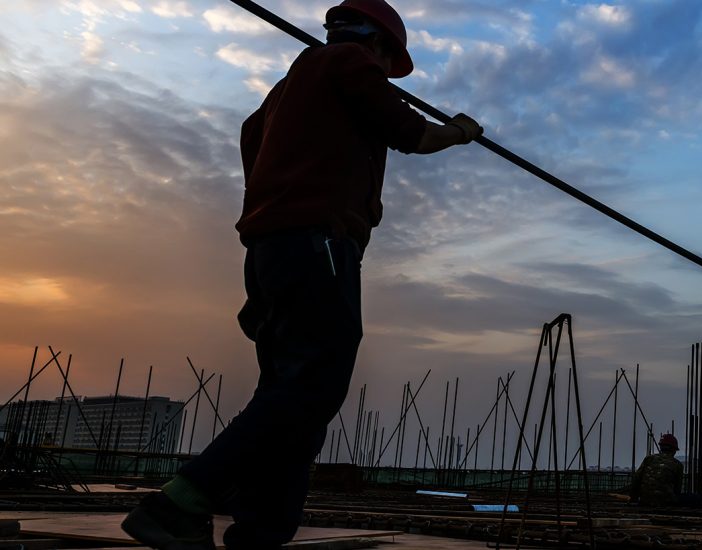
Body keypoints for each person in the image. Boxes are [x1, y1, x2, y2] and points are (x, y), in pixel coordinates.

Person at [121, 1, 482, 548]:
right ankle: (182, 500)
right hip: (318, 243)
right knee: (314, 381)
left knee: (296, 394)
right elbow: (413, 135)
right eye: (390, 63)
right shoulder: (347, 62)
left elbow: (252, 140)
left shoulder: (284, 94)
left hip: (274, 250)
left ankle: (263, 531)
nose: (388, 75)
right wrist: (458, 131)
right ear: (378, 45)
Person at [629, 434, 684, 507]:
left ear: (661, 447)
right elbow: (677, 490)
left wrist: (633, 498)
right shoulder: (678, 465)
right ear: (674, 450)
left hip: (645, 501)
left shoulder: (649, 459)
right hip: (666, 503)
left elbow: (636, 479)